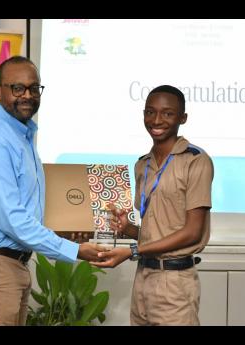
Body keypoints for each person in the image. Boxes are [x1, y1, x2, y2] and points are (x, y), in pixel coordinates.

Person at [0, 56, 106, 326]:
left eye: (34, 88)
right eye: (18, 88)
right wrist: (73, 249)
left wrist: (65, 230)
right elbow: (11, 219)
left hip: (8, 264)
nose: (27, 95)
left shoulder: (20, 136)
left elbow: (24, 211)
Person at [92, 85, 214, 326]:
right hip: (143, 278)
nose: (156, 120)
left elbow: (192, 232)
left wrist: (133, 251)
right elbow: (153, 234)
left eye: (167, 113)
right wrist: (127, 229)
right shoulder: (142, 165)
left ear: (183, 118)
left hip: (175, 282)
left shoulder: (196, 161)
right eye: (150, 112)